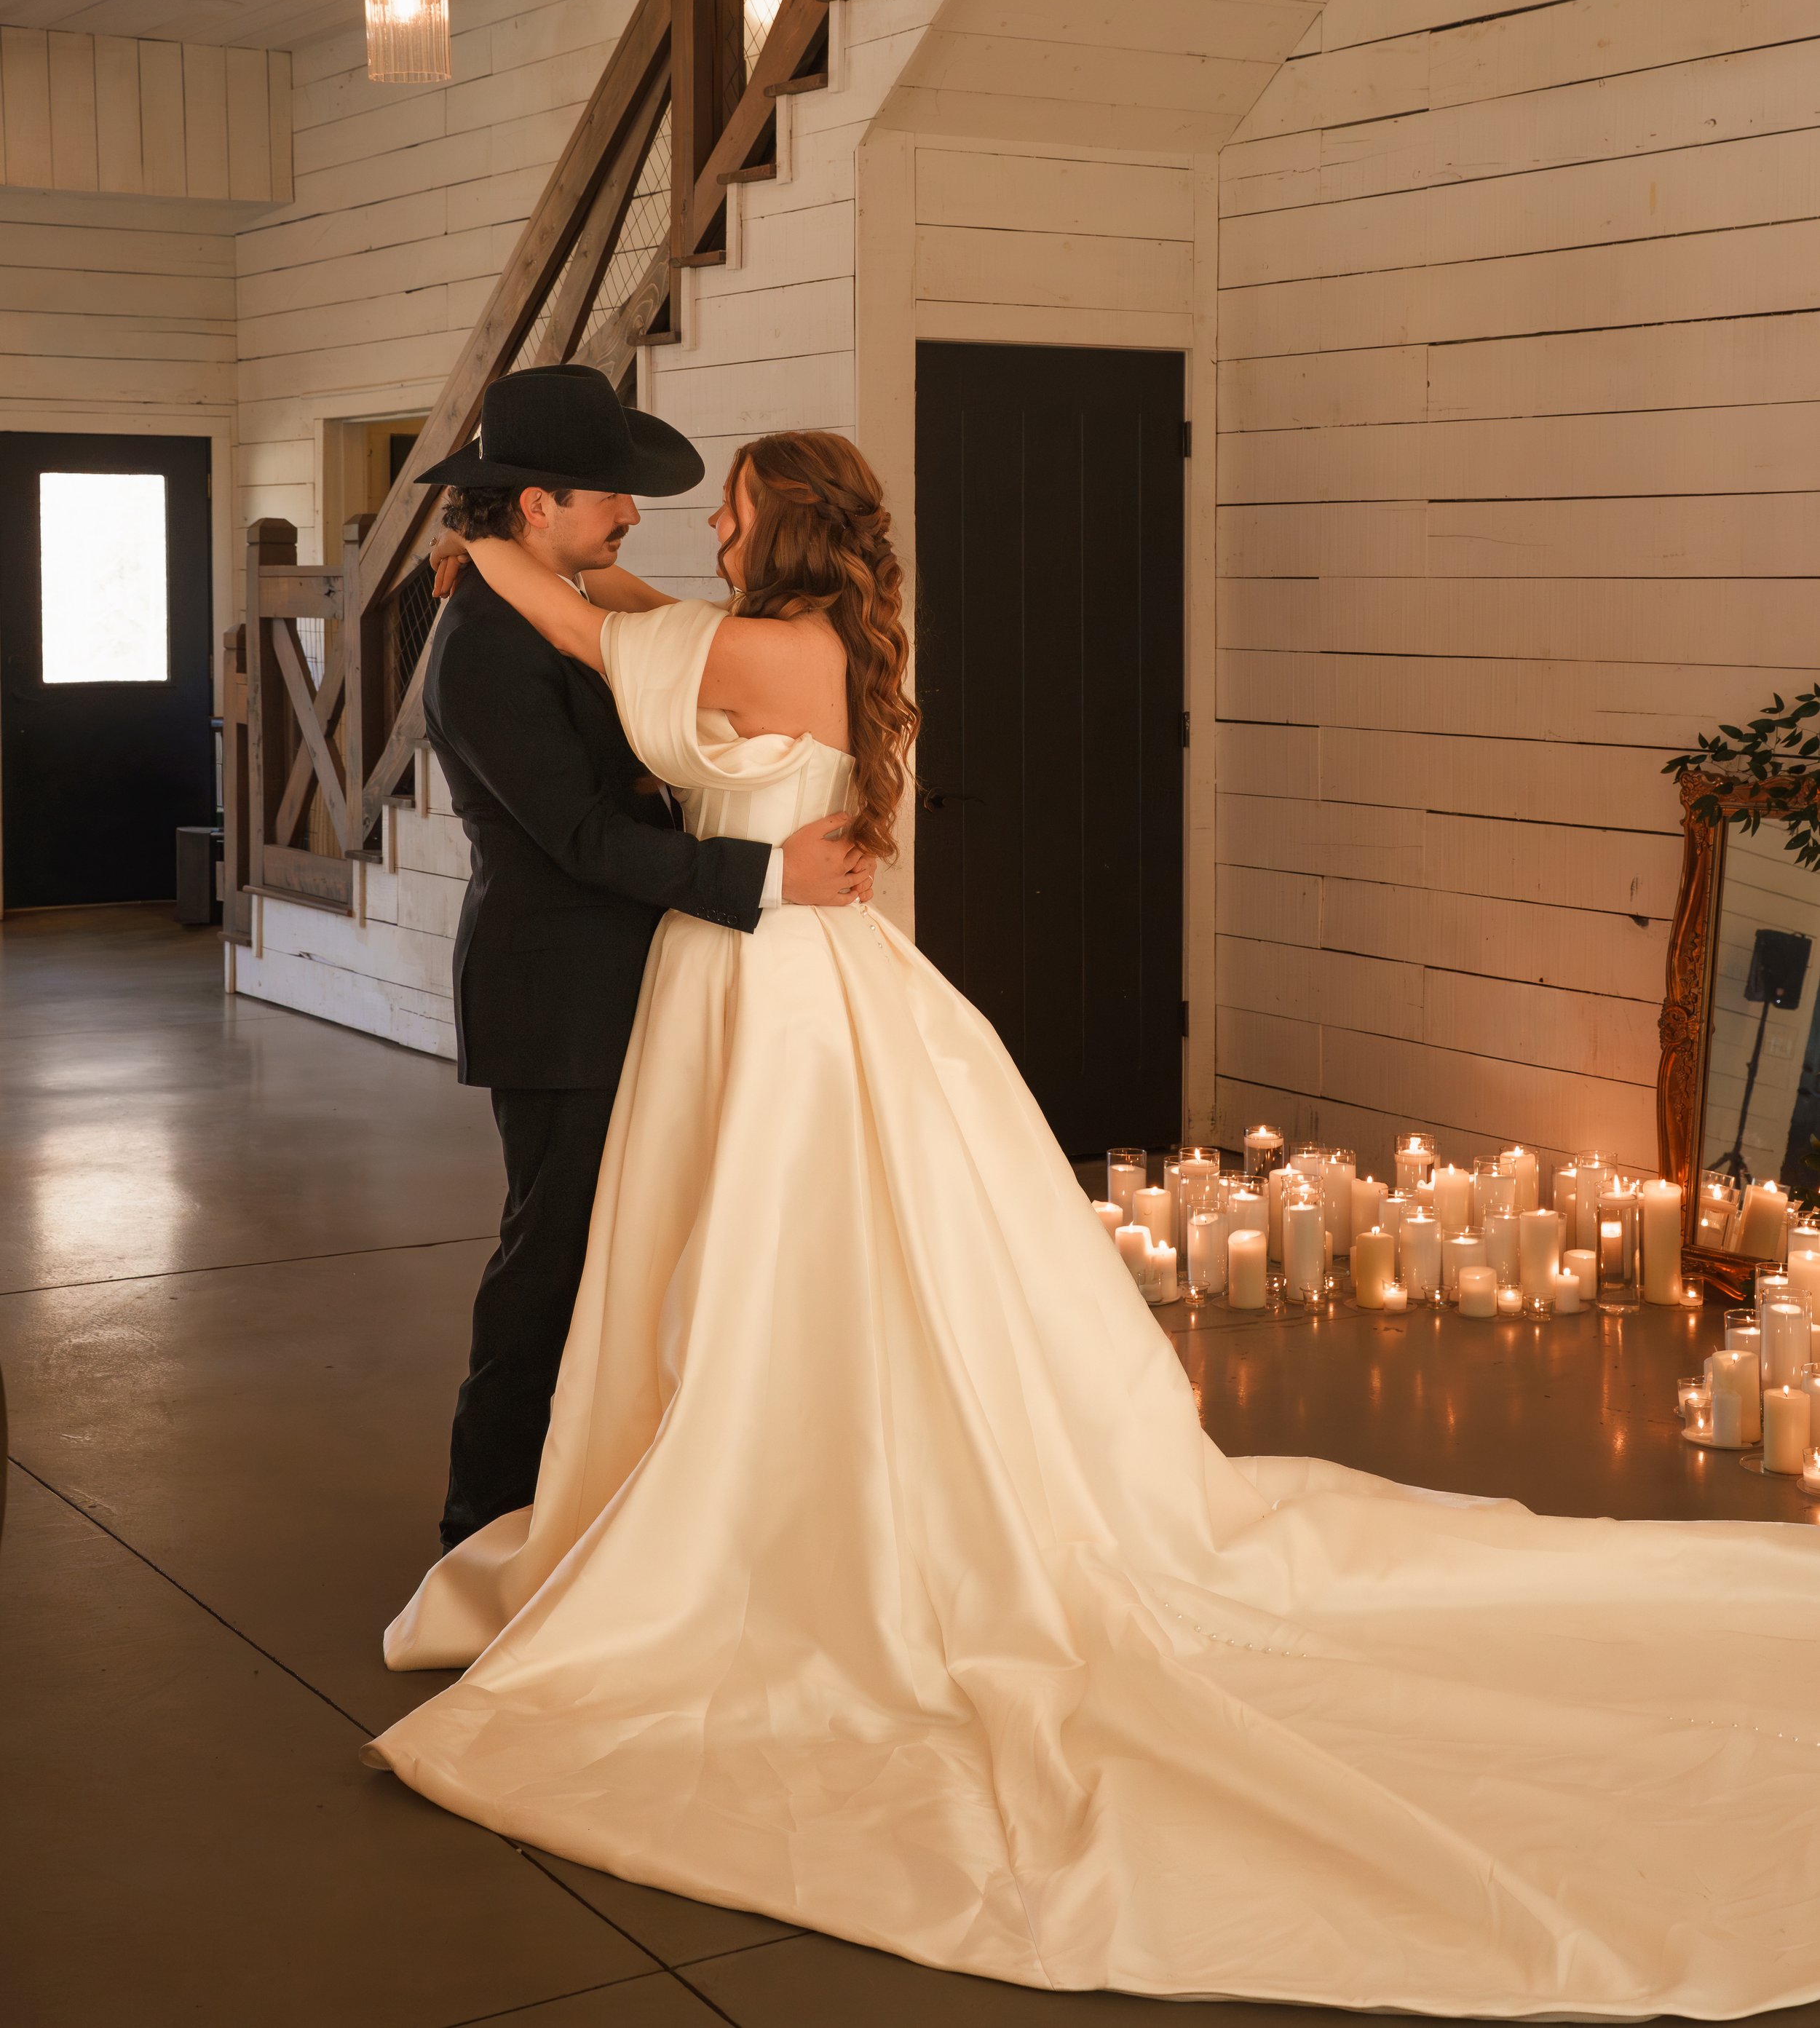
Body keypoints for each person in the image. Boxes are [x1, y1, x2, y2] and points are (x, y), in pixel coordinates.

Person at [371, 426, 1820, 2015]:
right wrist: (511, 552)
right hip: (755, 978)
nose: (691, 530)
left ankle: (768, 1503)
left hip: (771, 986)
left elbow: (608, 635)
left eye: (723, 511)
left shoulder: (758, 650)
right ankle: (719, 1477)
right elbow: (644, 624)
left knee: (779, 1252)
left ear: (778, 533)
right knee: (754, 1255)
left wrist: (480, 549)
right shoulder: (791, 637)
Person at [411, 367, 870, 1554]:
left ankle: (607, 1500)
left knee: (637, 1261)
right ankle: (481, 1521)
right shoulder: (483, 646)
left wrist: (490, 548)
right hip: (560, 998)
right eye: (609, 493)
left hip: (653, 981)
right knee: (552, 1261)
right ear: (537, 505)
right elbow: (580, 836)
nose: (632, 512)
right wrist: (766, 876)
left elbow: (645, 641)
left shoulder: (552, 601)